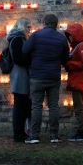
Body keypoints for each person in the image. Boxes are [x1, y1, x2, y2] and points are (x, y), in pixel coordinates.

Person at [22, 14, 69, 144]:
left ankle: (35, 136)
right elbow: (66, 59)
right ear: (56, 24)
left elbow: (25, 50)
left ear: (44, 23)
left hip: (37, 76)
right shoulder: (61, 38)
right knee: (53, 106)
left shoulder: (36, 36)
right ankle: (54, 136)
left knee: (36, 106)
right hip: (54, 76)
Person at [64, 23, 83, 142]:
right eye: (68, 36)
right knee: (80, 106)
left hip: (78, 80)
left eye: (71, 35)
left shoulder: (81, 46)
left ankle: (82, 132)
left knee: (78, 107)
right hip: (77, 80)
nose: (70, 38)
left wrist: (69, 64)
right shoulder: (76, 47)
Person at [6, 17, 32, 142]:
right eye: (28, 27)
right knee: (19, 105)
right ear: (23, 26)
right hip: (20, 75)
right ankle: (18, 133)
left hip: (20, 74)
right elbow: (18, 59)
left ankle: (21, 132)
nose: (30, 29)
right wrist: (31, 58)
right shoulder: (17, 40)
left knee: (22, 104)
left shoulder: (17, 39)